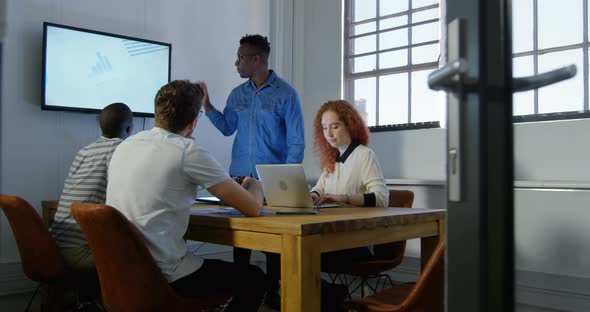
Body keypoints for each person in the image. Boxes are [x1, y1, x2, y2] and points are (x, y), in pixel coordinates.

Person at [106, 80, 267, 312]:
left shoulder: (126, 145)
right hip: (166, 275)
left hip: (122, 272)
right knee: (254, 277)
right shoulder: (188, 152)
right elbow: (252, 207)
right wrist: (254, 183)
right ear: (193, 122)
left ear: (157, 113)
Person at [200, 34, 305, 308]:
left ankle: (272, 292)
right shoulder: (238, 95)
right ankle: (242, 293)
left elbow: (296, 141)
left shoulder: (286, 94)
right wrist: (208, 106)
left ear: (256, 59)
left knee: (272, 242)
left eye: (240, 58)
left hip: (269, 180)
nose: (236, 63)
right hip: (237, 178)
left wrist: (283, 181)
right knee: (240, 239)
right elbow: (226, 128)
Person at [50, 102, 133, 309]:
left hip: (54, 245)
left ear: (100, 126)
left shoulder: (85, 151)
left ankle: (89, 300)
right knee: (142, 257)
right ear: (130, 128)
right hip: (78, 252)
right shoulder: (121, 150)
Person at [310, 100, 389, 265]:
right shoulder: (333, 158)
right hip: (332, 234)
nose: (329, 134)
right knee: (279, 250)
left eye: (334, 126)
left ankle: (329, 291)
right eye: (324, 128)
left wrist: (344, 198)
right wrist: (310, 196)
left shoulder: (365, 155)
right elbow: (319, 188)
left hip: (353, 239)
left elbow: (382, 199)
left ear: (350, 125)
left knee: (298, 251)